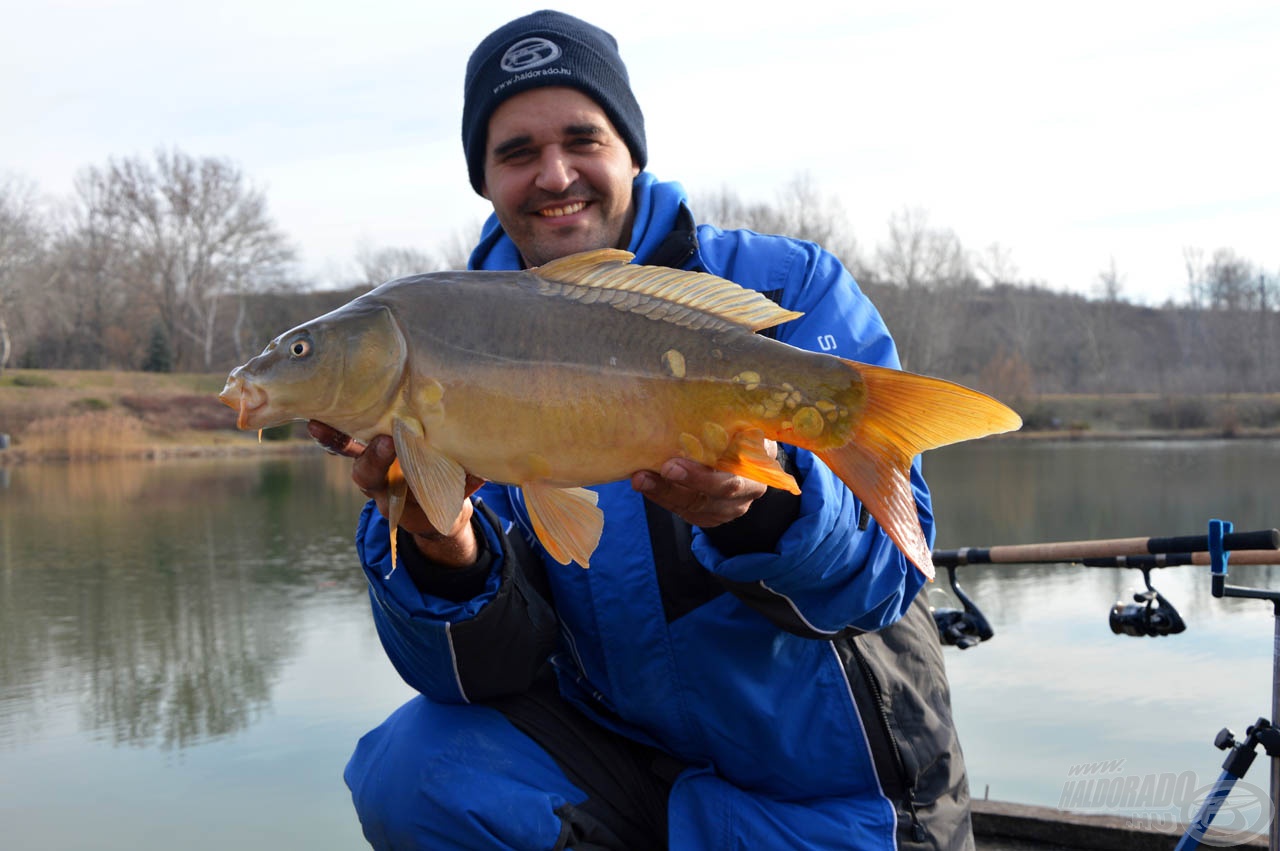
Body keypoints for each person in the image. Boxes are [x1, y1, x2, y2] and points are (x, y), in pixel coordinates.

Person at [313, 10, 974, 850]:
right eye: (516, 152)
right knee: (412, 771)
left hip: (833, 798)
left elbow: (882, 583)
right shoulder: (435, 340)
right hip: (633, 777)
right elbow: (479, 675)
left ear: (632, 150)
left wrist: (759, 512)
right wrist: (446, 553)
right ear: (483, 180)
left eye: (582, 139)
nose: (554, 175)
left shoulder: (789, 286)